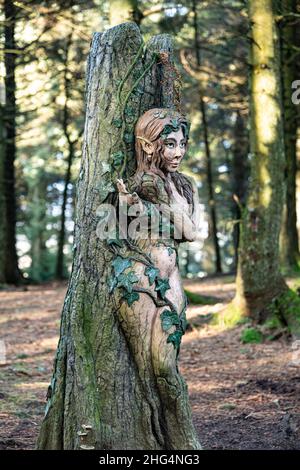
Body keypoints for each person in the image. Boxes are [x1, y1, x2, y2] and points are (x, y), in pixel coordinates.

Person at [113, 108, 201, 449]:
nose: (178, 152)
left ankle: (181, 438)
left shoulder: (183, 185)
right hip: (138, 284)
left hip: (172, 285)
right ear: (148, 146)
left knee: (166, 366)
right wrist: (130, 205)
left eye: (182, 144)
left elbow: (190, 231)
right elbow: (126, 231)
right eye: (169, 144)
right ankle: (147, 437)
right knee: (145, 369)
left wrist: (167, 199)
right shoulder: (135, 186)